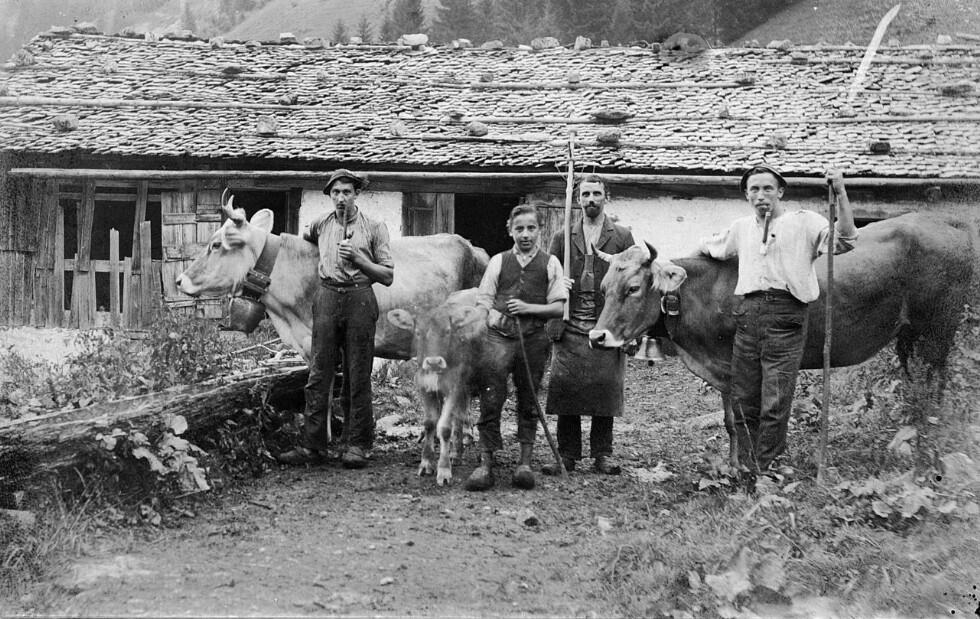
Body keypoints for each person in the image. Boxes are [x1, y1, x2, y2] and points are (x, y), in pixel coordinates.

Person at [699, 165, 856, 479]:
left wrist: (840, 192)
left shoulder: (805, 222)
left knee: (775, 399)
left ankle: (767, 470)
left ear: (781, 191)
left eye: (768, 188)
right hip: (747, 316)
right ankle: (746, 468)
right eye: (754, 190)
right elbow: (712, 248)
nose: (761, 196)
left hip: (786, 316)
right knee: (744, 398)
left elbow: (845, 240)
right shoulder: (740, 228)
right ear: (746, 195)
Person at [277, 169, 394, 469]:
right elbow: (307, 241)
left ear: (356, 194)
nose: (341, 198)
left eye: (347, 192)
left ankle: (357, 445)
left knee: (358, 373)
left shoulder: (375, 227)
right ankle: (313, 446)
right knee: (319, 373)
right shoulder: (321, 223)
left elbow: (387, 275)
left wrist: (358, 259)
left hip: (359, 298)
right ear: (330, 195)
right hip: (327, 297)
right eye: (336, 193)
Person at [465, 203, 568, 491]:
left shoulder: (551, 263)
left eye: (531, 228)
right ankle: (486, 462)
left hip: (533, 339)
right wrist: (485, 320)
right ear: (510, 231)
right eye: (519, 229)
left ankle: (524, 463)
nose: (525, 234)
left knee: (529, 398)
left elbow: (558, 308)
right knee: (491, 397)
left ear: (539, 230)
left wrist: (528, 308)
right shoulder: (498, 261)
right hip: (498, 338)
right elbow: (484, 300)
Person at [543, 175, 635, 476]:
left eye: (596, 193)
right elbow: (548, 275)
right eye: (585, 194)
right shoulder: (563, 236)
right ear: (578, 199)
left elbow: (633, 279)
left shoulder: (621, 236)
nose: (590, 199)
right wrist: (559, 283)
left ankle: (602, 454)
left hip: (605, 320)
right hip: (569, 321)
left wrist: (627, 327)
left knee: (604, 388)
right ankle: (568, 454)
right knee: (567, 389)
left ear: (606, 196)